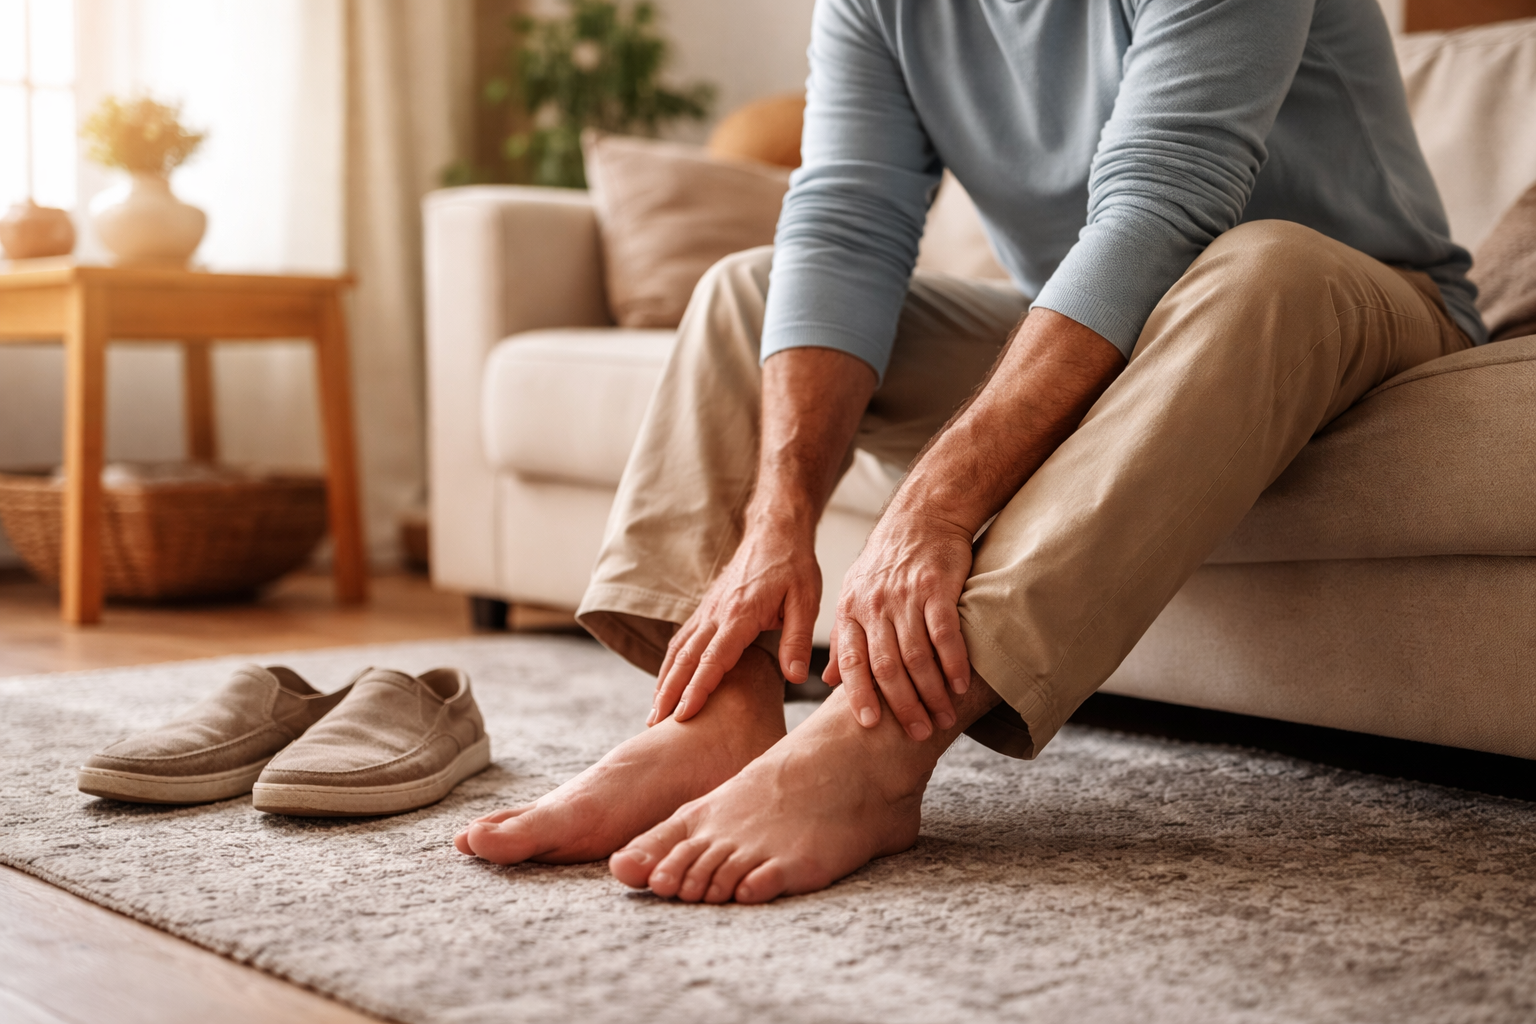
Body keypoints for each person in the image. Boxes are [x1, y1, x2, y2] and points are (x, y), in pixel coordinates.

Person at [454, 0, 1484, 903]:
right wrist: (778, 521)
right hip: (1110, 329)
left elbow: (1163, 203)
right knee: (750, 291)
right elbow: (848, 221)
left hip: (1347, 304)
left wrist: (934, 505)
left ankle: (874, 751)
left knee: (1263, 266)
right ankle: (712, 716)